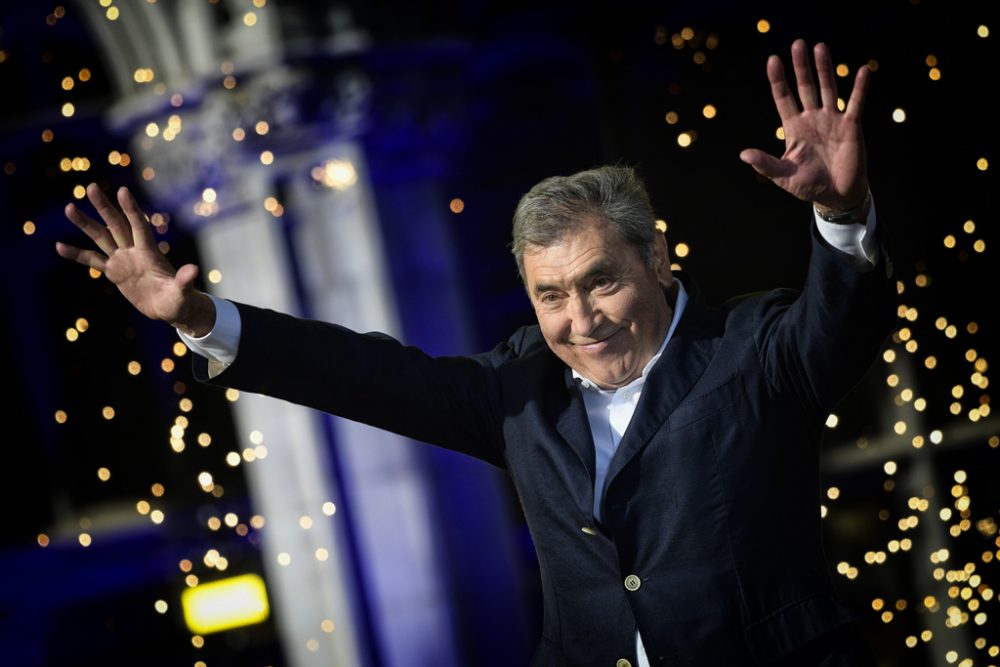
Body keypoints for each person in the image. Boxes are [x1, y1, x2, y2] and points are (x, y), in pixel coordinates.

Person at [57, 39, 894, 666]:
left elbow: (842, 320)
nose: (581, 320)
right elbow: (367, 375)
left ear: (657, 261)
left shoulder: (752, 348)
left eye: (600, 282)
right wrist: (201, 314)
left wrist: (842, 212)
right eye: (551, 295)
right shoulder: (520, 389)